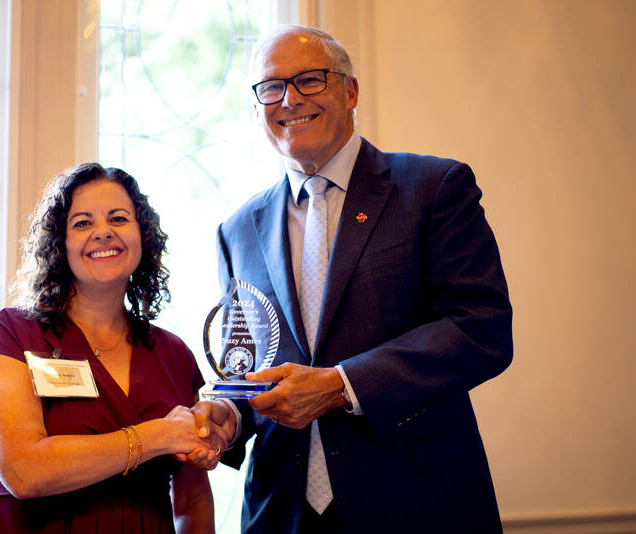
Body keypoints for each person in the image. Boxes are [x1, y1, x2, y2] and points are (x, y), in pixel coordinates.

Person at [194, 24, 514, 533]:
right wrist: (227, 417)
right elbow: (250, 364)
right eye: (271, 87)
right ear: (257, 109)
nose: (290, 99)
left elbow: (481, 329)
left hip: (417, 501)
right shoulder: (237, 231)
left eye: (310, 80)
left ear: (350, 90)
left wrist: (340, 386)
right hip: (282, 508)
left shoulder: (433, 188)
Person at [0, 163, 228, 533]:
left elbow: (192, 500)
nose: (103, 233)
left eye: (118, 218)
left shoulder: (173, 353)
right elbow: (23, 470)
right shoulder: (11, 334)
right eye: (82, 223)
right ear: (58, 244)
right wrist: (157, 436)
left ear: (142, 236)